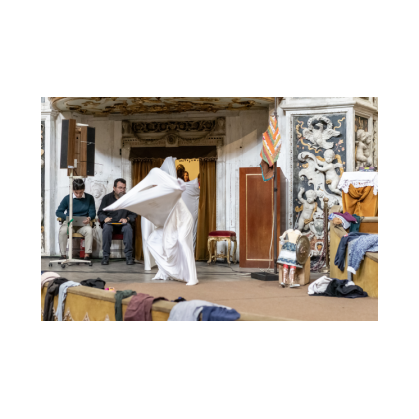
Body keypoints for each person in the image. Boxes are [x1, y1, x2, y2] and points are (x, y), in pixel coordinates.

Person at [104, 157, 199, 286]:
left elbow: (175, 189)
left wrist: (178, 185)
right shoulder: (152, 189)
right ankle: (164, 272)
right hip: (168, 224)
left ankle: (192, 277)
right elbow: (134, 194)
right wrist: (114, 206)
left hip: (183, 221)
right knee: (152, 240)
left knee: (182, 242)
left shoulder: (168, 189)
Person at [98, 179, 137, 266]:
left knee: (128, 228)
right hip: (110, 224)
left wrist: (127, 219)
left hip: (123, 224)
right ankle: (105, 256)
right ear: (114, 188)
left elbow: (133, 214)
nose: (122, 190)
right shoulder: (106, 198)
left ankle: (129, 257)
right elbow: (100, 213)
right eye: (120, 188)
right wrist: (105, 218)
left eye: (124, 188)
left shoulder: (128, 198)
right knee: (107, 228)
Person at [56, 179, 96, 261]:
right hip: (69, 223)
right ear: (72, 190)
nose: (78, 195)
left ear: (84, 189)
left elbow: (92, 212)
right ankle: (63, 255)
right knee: (63, 231)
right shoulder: (67, 198)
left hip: (83, 224)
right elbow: (58, 212)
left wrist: (89, 218)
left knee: (89, 230)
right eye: (76, 192)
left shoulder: (89, 198)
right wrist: (67, 217)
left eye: (81, 192)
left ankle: (87, 255)